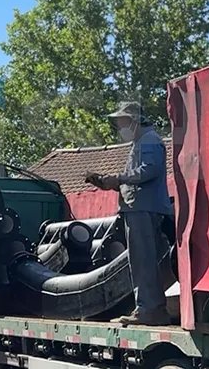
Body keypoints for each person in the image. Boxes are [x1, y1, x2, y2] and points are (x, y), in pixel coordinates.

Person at [86, 101, 172, 326]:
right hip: (141, 207)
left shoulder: (149, 140)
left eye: (122, 121)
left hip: (143, 208)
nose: (119, 127)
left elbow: (149, 170)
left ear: (134, 120)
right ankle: (150, 308)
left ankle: (149, 309)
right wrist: (113, 183)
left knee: (142, 260)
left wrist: (119, 178)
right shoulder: (143, 141)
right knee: (144, 260)